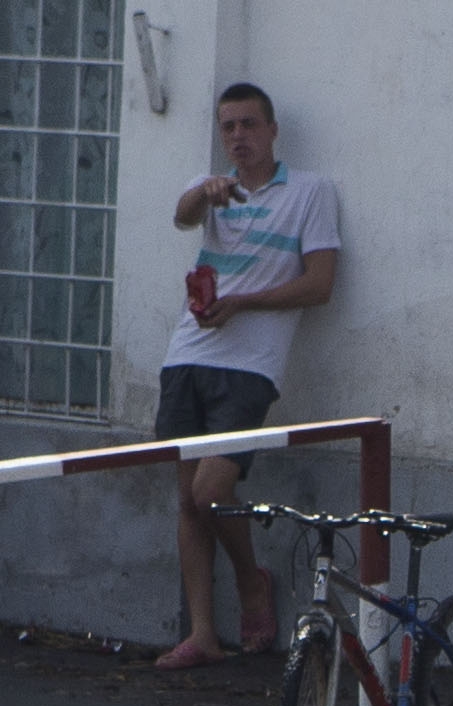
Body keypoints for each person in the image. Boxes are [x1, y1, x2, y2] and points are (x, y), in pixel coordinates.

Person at [153, 83, 340, 672]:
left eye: (249, 125)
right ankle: (204, 633)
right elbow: (182, 216)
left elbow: (320, 285)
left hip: (249, 364)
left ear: (273, 130)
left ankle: (251, 581)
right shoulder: (210, 189)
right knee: (188, 498)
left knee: (212, 490)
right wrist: (204, 195)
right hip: (188, 353)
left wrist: (245, 302)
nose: (239, 137)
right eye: (228, 127)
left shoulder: (310, 191)